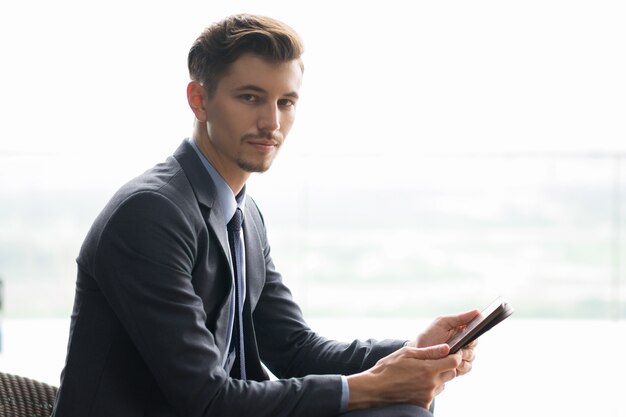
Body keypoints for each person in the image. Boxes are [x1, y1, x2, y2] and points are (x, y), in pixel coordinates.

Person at [51, 13, 479, 417]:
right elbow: (206, 398)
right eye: (250, 98)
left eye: (286, 102)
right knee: (394, 405)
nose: (271, 122)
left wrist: (414, 352)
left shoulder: (243, 215)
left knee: (401, 406)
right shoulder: (149, 214)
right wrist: (375, 386)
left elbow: (295, 349)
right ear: (199, 100)